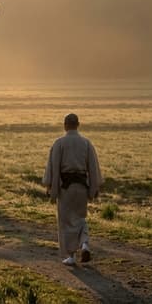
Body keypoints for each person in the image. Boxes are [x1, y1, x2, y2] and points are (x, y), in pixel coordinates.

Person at [42, 113, 103, 266]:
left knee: (66, 221)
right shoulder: (86, 143)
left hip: (65, 188)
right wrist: (94, 188)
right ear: (78, 124)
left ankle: (70, 255)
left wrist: (50, 186)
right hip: (82, 186)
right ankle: (85, 244)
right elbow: (93, 168)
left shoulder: (59, 143)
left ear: (65, 125)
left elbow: (52, 167)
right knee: (81, 218)